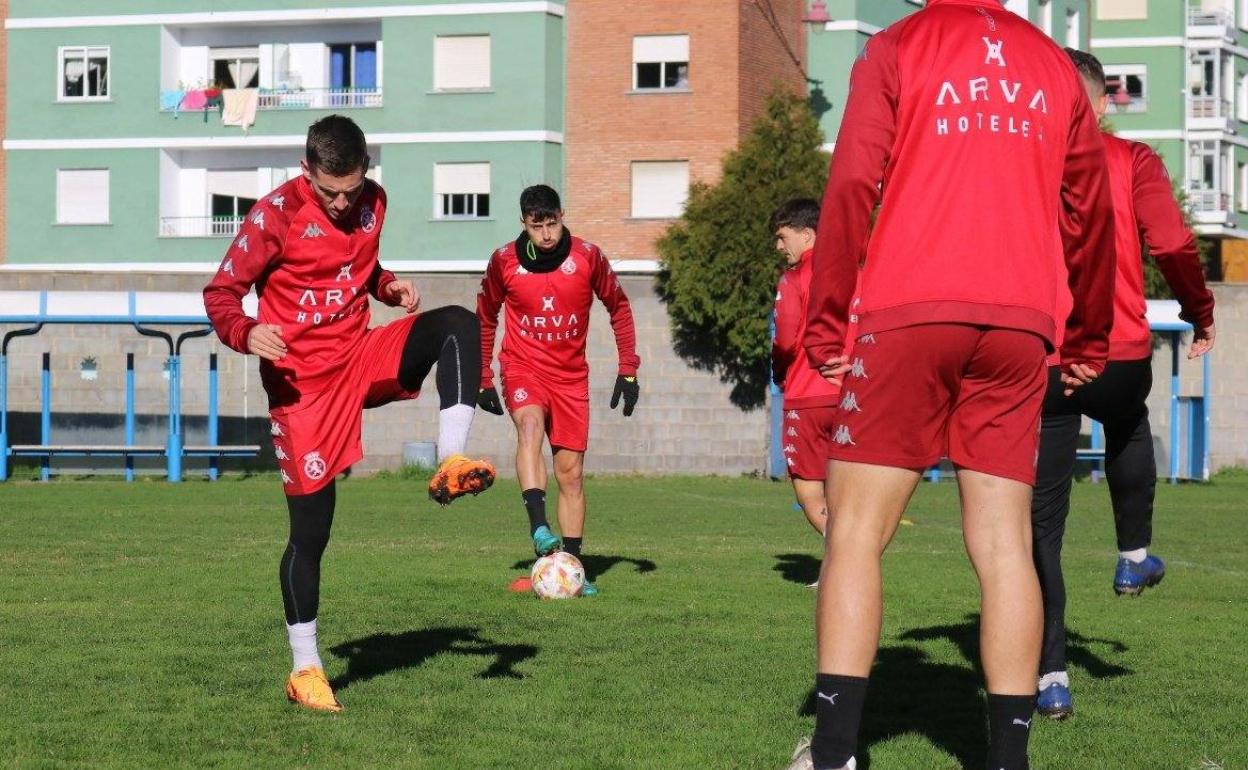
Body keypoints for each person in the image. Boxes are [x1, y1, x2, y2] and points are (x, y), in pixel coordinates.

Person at [785, 2, 1118, 769]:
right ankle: (1007, 761)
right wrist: (1088, 332)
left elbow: (849, 185)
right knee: (1004, 543)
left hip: (908, 310)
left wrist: (829, 318)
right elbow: (1092, 212)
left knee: (856, 532)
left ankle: (835, 753)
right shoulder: (1051, 63)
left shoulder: (900, 44)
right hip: (1019, 322)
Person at [203, 115, 496, 713]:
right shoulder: (273, 216)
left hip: (358, 356)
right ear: (307, 170)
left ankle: (450, 460)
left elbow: (357, 271)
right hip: (302, 388)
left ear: (366, 173)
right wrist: (246, 331)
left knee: (458, 325)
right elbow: (220, 293)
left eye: (353, 189)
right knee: (312, 534)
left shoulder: (373, 202)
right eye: (330, 191)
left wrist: (388, 289)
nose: (343, 203)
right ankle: (305, 668)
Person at [1031, 48, 1217, 720]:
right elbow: (1170, 244)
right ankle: (1133, 554)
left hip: (1042, 358)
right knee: (1129, 420)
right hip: (1115, 352)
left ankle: (1051, 676)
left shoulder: (1023, 161)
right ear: (1104, 99)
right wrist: (1200, 308)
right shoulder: (1132, 161)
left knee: (1041, 531)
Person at [476, 184, 640, 597]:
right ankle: (538, 527)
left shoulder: (588, 258)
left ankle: (571, 568)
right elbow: (485, 316)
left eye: (552, 223)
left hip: (570, 378)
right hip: (523, 367)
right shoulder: (504, 262)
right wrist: (483, 376)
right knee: (528, 428)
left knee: (571, 475)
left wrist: (628, 369)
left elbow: (619, 307)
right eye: (537, 226)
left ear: (562, 216)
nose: (546, 234)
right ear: (524, 224)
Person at [770, 198, 856, 576]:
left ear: (807, 235)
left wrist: (777, 368)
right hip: (852, 394)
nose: (778, 246)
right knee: (847, 490)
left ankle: (848, 566)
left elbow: (786, 339)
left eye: (782, 237)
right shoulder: (857, 271)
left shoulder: (794, 279)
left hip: (807, 394)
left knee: (809, 490)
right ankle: (849, 564)